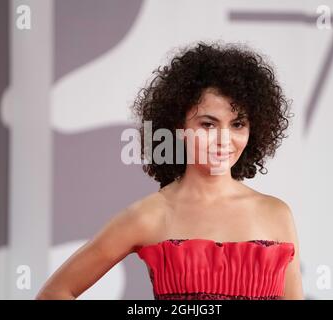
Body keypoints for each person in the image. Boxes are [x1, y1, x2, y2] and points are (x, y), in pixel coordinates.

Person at [36, 40, 304, 300]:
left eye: (237, 124)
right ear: (179, 127)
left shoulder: (276, 214)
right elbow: (54, 293)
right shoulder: (149, 215)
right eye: (208, 124)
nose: (224, 139)